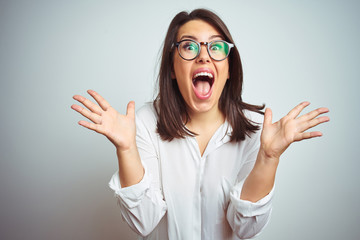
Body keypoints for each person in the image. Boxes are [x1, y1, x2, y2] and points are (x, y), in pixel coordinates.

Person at [71, 9, 329, 240]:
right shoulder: (145, 123)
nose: (204, 56)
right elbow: (143, 222)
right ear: (172, 67)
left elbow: (246, 228)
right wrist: (126, 149)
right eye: (189, 46)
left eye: (216, 47)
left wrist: (269, 157)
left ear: (229, 68)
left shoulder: (259, 131)